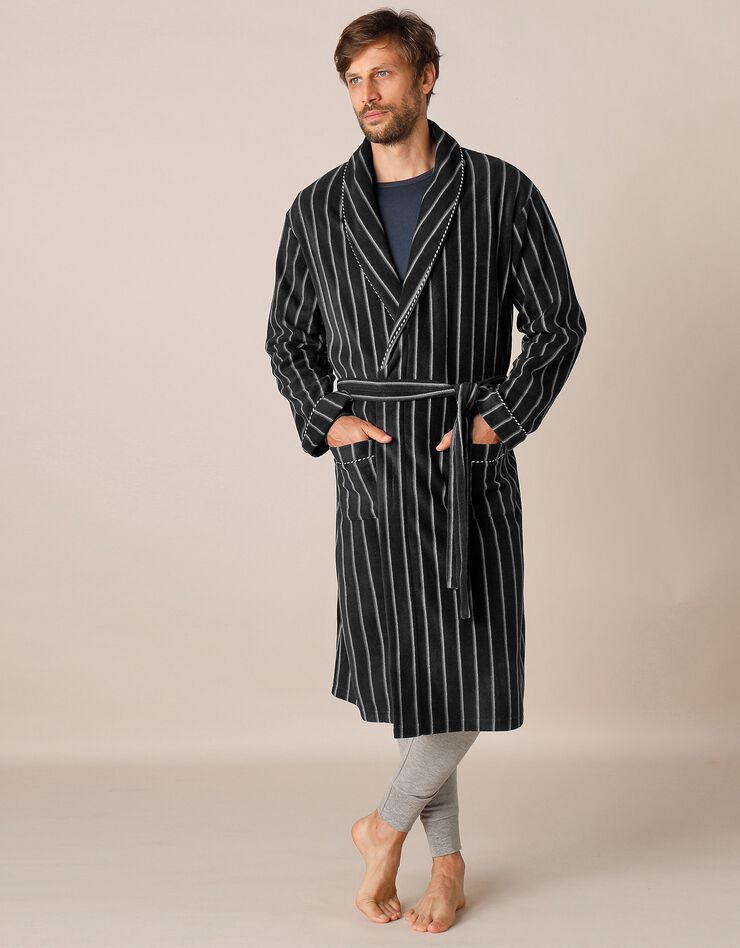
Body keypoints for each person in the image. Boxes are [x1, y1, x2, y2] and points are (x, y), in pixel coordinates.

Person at [264, 8, 587, 934]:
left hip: (463, 459)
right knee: (417, 676)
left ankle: (384, 824)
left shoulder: (500, 192)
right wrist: (328, 421)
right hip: (374, 470)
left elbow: (558, 324)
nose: (366, 95)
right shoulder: (318, 209)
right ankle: (446, 867)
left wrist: (498, 422)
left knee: (471, 669)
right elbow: (288, 340)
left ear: (427, 76)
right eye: (353, 80)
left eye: (383, 74)